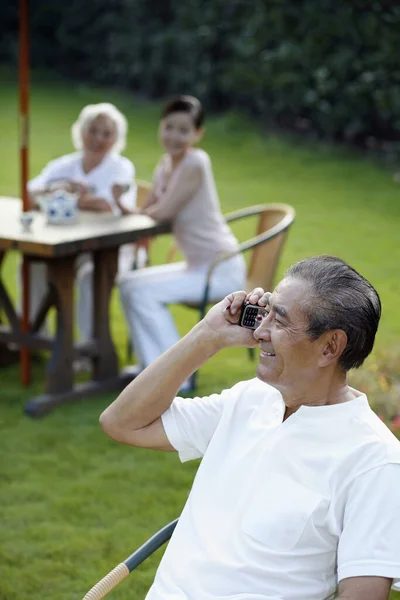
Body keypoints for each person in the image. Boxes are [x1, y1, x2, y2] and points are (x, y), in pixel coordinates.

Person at [101, 255, 400, 600]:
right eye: (266, 311)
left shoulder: (376, 461)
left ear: (330, 346)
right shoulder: (250, 400)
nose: (259, 331)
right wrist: (208, 336)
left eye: (280, 321)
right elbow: (122, 423)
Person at [118, 96, 246, 389]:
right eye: (169, 127)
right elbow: (147, 207)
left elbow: (161, 212)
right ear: (160, 127)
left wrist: (134, 212)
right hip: (196, 265)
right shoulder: (165, 165)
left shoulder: (195, 162)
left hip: (219, 268)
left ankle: (176, 378)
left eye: (183, 130)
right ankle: (148, 366)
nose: (174, 136)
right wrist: (122, 206)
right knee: (128, 284)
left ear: (198, 134)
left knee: (143, 293)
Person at [25, 102, 137, 341]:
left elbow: (109, 205)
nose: (98, 138)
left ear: (116, 138)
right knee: (33, 265)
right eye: (92, 131)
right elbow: (30, 192)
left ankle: (88, 348)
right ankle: (34, 336)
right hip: (66, 244)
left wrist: (67, 198)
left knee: (90, 275)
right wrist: (56, 188)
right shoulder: (65, 165)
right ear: (81, 131)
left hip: (108, 249)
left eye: (106, 134)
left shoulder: (120, 168)